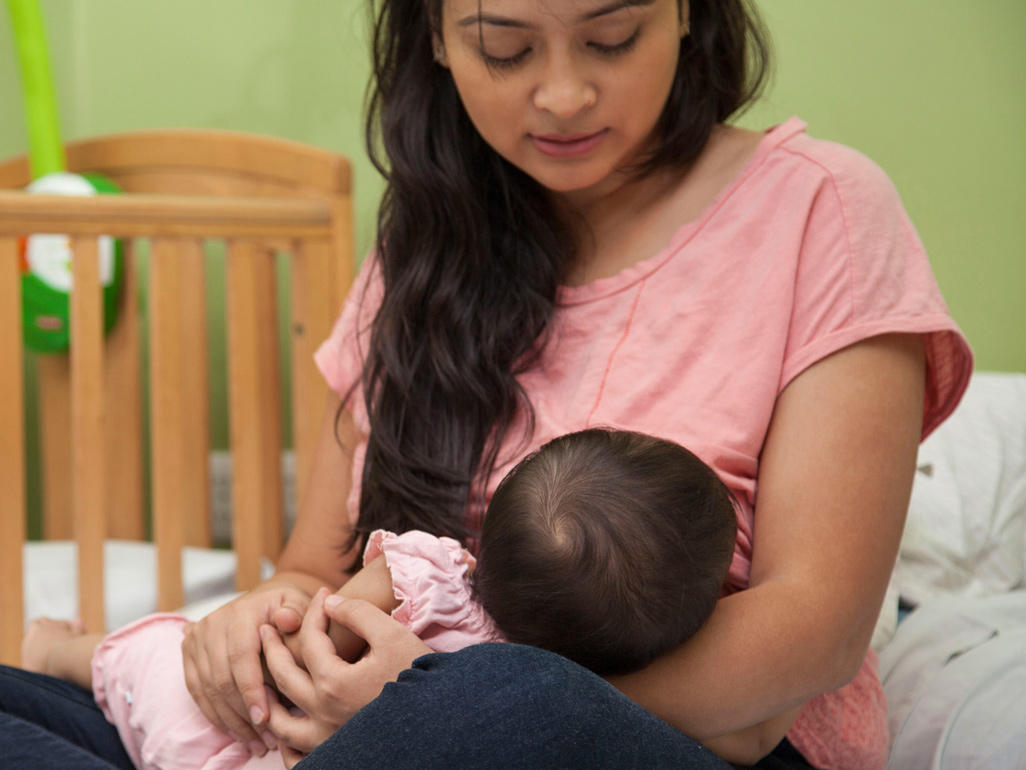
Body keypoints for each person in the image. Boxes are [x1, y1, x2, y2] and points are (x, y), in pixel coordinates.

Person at [0, 0, 973, 768]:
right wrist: (258, 627)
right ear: (434, 34)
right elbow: (314, 565)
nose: (560, 94)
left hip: (631, 737)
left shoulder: (823, 211)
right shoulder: (422, 253)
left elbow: (813, 633)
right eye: (505, 48)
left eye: (612, 36)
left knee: (505, 701)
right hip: (359, 735)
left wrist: (428, 683)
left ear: (687, 11)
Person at [19, 428, 743, 769]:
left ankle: (56, 648)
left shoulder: (427, 571)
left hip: (223, 719)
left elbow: (322, 622)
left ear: (488, 533)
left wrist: (297, 665)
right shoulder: (565, 677)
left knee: (150, 649)